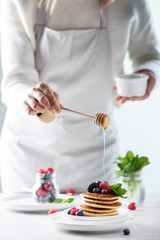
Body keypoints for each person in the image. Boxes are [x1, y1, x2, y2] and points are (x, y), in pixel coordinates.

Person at [0, 0, 159, 193]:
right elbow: (15, 80)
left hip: (96, 154)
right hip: (28, 156)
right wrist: (28, 97)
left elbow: (149, 56)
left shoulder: (129, 3)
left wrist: (149, 73)